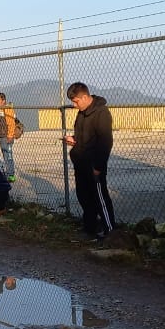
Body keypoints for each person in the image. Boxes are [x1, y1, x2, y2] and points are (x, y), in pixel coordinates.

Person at [63, 82, 115, 238]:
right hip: (81, 162)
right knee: (84, 196)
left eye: (76, 101)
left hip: (94, 165)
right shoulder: (81, 113)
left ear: (85, 97)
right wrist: (73, 139)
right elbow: (82, 136)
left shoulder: (102, 113)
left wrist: (98, 166)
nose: (74, 105)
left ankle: (110, 232)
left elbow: (106, 142)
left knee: (100, 198)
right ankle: (90, 228)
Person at [0, 92, 17, 182]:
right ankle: (6, 173)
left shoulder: (7, 109)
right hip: (1, 136)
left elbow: (11, 123)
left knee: (8, 155)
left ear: (3, 101)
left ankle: (11, 175)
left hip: (7, 136)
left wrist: (10, 135)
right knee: (5, 154)